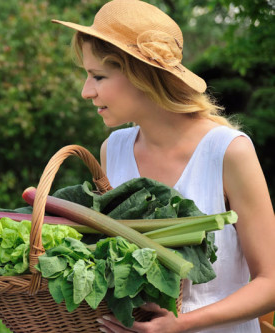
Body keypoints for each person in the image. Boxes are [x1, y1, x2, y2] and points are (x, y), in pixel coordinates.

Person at [51, 0, 275, 332]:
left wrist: (181, 324)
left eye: (98, 76)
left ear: (142, 75)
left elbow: (270, 283)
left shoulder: (228, 151)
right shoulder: (113, 150)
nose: (86, 91)